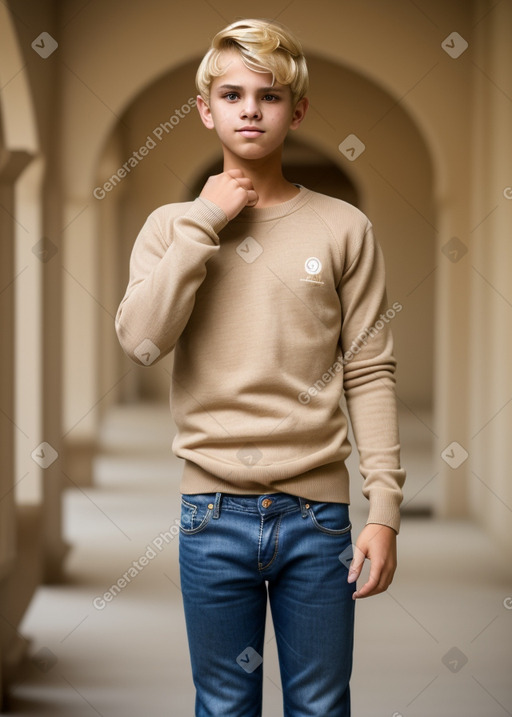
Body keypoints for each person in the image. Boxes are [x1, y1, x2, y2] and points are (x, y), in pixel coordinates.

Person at [115, 17, 405, 717]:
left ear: (296, 109)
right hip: (209, 514)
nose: (251, 109)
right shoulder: (169, 226)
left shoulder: (343, 227)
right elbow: (142, 341)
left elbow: (369, 369)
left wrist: (385, 508)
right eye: (234, 94)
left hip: (320, 519)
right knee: (222, 704)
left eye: (270, 95)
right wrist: (202, 224)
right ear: (206, 109)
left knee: (320, 703)